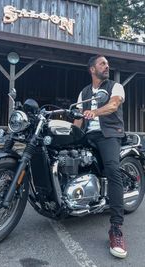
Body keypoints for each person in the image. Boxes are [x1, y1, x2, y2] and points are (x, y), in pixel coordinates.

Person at [74, 55, 127, 258]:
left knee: (113, 170)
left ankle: (116, 228)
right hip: (88, 135)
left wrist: (94, 112)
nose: (107, 66)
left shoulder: (116, 86)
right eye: (102, 64)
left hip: (110, 134)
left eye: (107, 64)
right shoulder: (84, 93)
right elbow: (78, 119)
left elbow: (114, 105)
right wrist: (70, 135)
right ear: (92, 69)